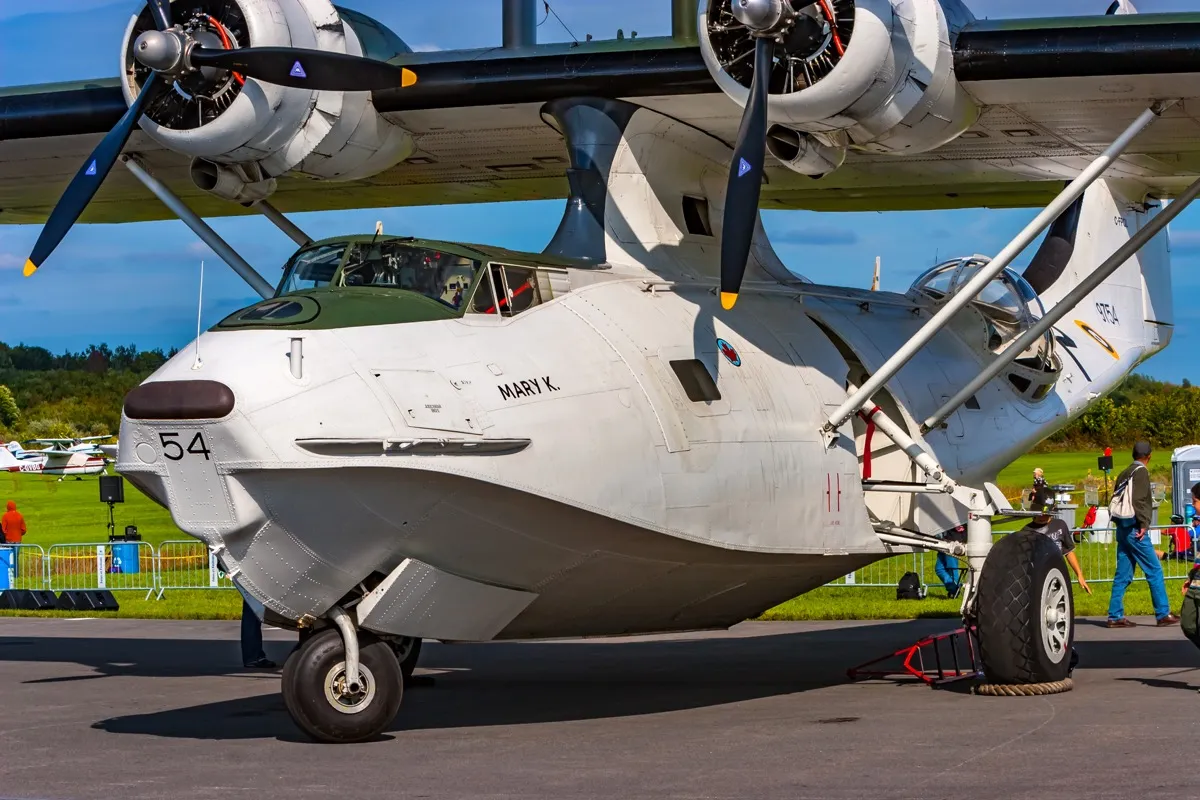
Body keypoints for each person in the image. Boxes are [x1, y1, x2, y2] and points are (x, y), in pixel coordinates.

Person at [1107, 441, 1178, 628]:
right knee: (1154, 570)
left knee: (1122, 574)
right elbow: (1139, 500)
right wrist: (1144, 524)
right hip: (1135, 529)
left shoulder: (1124, 473)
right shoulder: (1141, 472)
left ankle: (1114, 616)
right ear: (1149, 456)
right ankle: (1163, 613)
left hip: (1122, 528)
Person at [1023, 498, 1091, 595]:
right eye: (1040, 514)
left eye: (1046, 514)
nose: (1042, 517)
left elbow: (1069, 552)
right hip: (1037, 578)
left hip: (1058, 574)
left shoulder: (1060, 525)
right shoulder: (1027, 531)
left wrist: (1079, 575)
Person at [934, 524, 967, 598]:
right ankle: (954, 589)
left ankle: (954, 591)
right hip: (943, 542)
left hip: (952, 542)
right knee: (939, 569)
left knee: (952, 568)